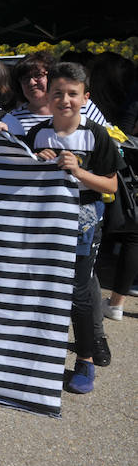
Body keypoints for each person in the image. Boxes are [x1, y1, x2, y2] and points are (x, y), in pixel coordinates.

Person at [23, 63, 123, 394]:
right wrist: (37, 161)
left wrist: (79, 172)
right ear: (48, 97)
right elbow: (23, 180)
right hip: (44, 223)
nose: (65, 100)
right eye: (58, 93)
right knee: (41, 287)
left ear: (85, 98)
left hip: (83, 222)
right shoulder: (36, 133)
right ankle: (41, 355)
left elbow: (111, 185)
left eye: (72, 94)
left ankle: (86, 360)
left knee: (78, 292)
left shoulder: (96, 134)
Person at [85, 52, 138, 321]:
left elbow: (125, 131)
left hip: (119, 170)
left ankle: (115, 303)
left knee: (130, 232)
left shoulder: (98, 108)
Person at [6, 52, 107, 134]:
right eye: (25, 78)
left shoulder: (83, 106)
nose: (31, 82)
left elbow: (108, 145)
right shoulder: (13, 118)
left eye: (38, 75)